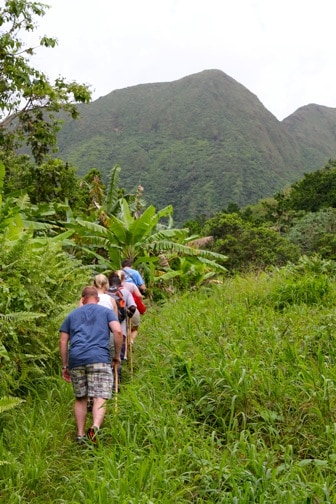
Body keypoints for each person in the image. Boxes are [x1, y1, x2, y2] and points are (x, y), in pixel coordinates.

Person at [59, 285, 122, 443]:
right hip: (99, 358)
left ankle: (80, 435)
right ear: (98, 299)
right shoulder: (106, 312)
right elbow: (118, 331)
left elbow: (63, 340)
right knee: (99, 396)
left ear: (82, 299)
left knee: (80, 397)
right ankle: (94, 427)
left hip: (76, 359)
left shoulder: (72, 315)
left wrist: (65, 365)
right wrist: (116, 355)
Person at [115, 269, 142, 345]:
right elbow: (139, 296)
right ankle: (131, 340)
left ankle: (124, 343)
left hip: (117, 311)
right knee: (134, 329)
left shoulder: (111, 288)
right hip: (131, 310)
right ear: (125, 277)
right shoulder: (131, 285)